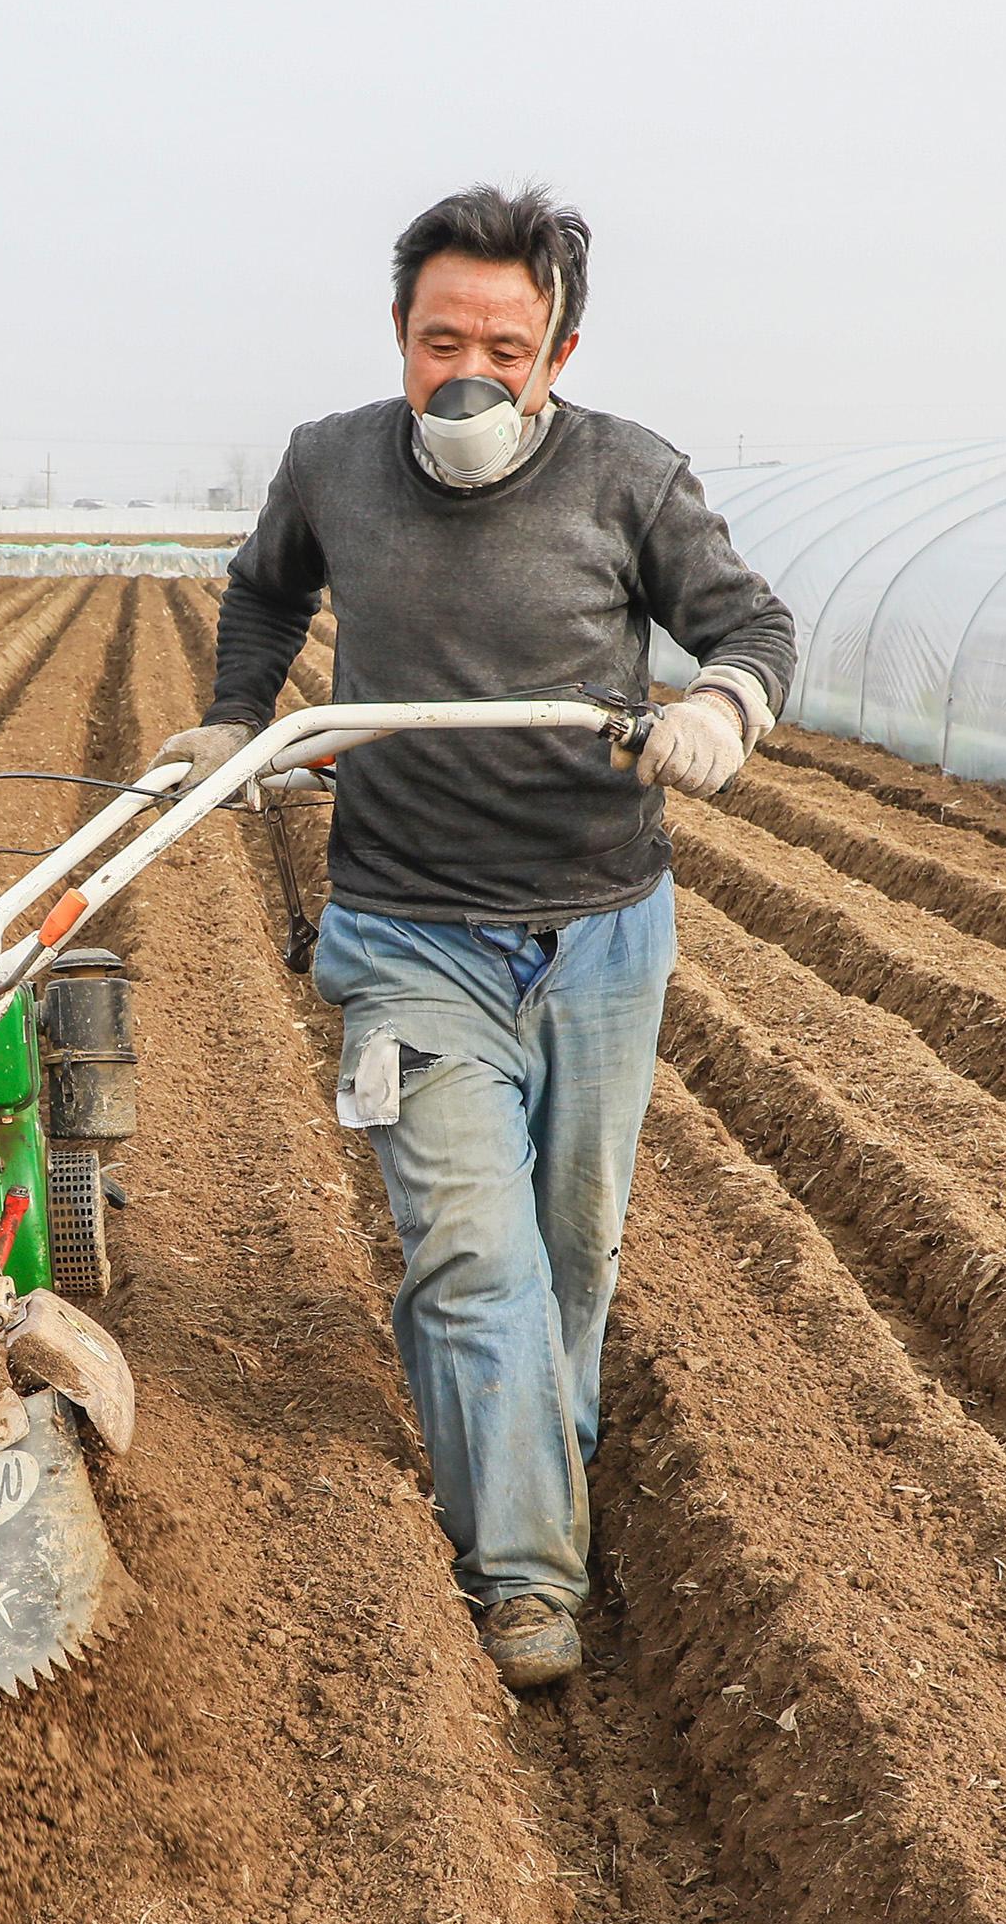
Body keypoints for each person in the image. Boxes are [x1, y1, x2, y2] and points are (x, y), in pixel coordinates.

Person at [165, 185, 796, 1692]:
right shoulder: (332, 466)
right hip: (402, 929)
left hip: (598, 929)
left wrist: (718, 708)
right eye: (440, 336)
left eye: (503, 347)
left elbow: (754, 623)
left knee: (571, 1251)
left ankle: (537, 1449)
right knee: (469, 1255)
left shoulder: (633, 479)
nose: (469, 371)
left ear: (557, 354)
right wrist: (235, 722)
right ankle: (522, 1569)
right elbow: (261, 597)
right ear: (397, 334)